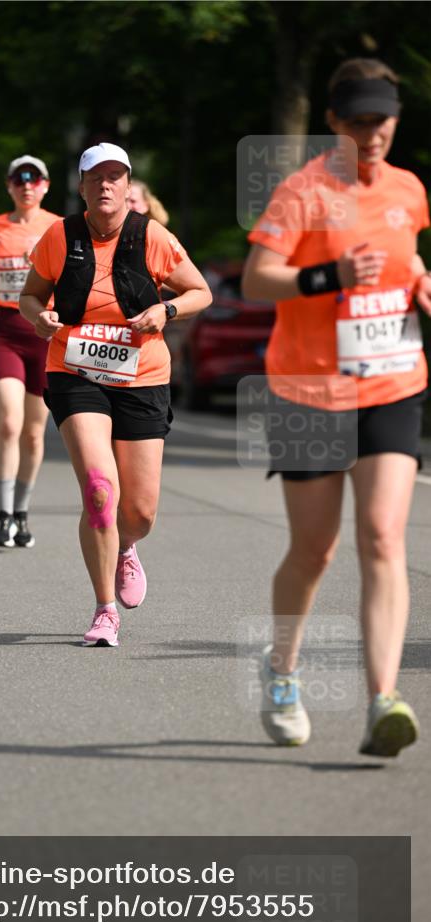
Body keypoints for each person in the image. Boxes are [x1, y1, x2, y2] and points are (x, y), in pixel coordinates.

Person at [242, 58, 431, 757]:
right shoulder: (303, 191)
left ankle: (383, 700)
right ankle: (282, 671)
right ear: (332, 122)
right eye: (357, 122)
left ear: (395, 120)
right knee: (314, 550)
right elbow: (258, 279)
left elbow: (406, 256)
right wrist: (330, 275)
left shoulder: (408, 189)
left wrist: (419, 280)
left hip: (392, 382)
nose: (371, 134)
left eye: (381, 121)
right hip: (309, 391)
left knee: (382, 537)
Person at [20, 142, 211, 646]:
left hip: (142, 377)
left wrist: (165, 311)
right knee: (100, 490)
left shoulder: (152, 236)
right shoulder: (60, 236)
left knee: (139, 512)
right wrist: (39, 317)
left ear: (128, 186)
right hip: (75, 371)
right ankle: (105, 610)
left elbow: (201, 292)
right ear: (81, 187)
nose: (105, 185)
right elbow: (30, 295)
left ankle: (127, 545)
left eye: (114, 177)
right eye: (95, 178)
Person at [0, 155, 61, 548]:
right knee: (9, 423)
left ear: (45, 186)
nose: (26, 186)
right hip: (6, 329)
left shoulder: (59, 227)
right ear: (9, 186)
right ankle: (2, 513)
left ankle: (22, 513)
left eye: (34, 180)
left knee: (34, 433)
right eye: (19, 180)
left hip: (44, 333)